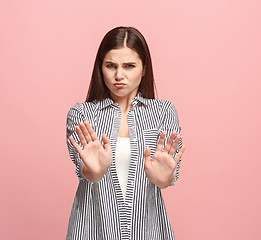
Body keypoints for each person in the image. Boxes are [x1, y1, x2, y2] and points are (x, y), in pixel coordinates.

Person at [65, 26, 186, 240]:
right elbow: (86, 171)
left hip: (149, 232)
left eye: (129, 66)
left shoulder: (164, 112)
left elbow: (166, 179)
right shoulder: (81, 114)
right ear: (100, 67)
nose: (118, 75)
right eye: (110, 65)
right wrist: (93, 171)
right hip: (93, 230)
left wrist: (165, 177)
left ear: (144, 68)